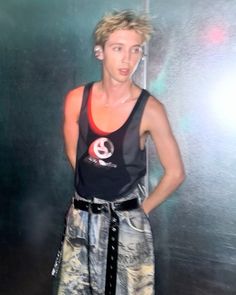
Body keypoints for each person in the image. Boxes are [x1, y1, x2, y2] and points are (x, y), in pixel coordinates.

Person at [53, 9, 185, 295]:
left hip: (127, 227)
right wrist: (88, 200)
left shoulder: (150, 109)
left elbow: (175, 173)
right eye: (118, 48)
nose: (128, 59)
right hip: (81, 220)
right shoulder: (77, 99)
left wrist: (139, 213)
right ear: (99, 52)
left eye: (135, 49)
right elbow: (73, 153)